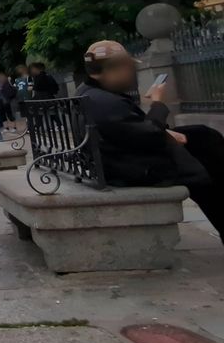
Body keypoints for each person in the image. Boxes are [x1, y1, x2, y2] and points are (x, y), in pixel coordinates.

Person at [77, 40, 223, 242]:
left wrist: (165, 133)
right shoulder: (104, 102)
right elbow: (150, 135)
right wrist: (157, 102)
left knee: (201, 135)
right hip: (135, 168)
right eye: (130, 68)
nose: (133, 73)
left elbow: (129, 130)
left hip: (117, 158)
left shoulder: (89, 93)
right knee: (204, 166)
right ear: (115, 69)